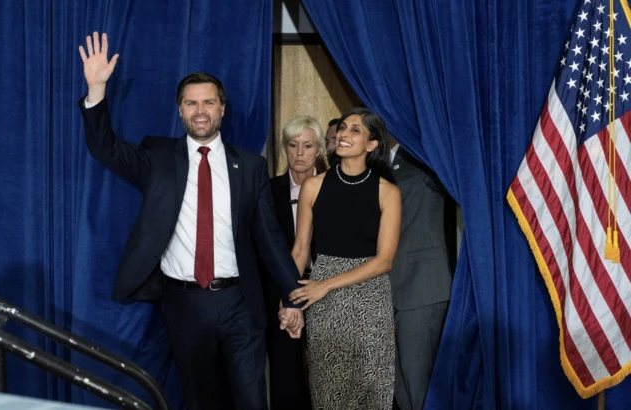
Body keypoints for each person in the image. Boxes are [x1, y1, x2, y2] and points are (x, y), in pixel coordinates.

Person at [77, 32, 303, 410]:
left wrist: (291, 296)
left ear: (222, 110)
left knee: (251, 399)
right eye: (191, 103)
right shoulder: (157, 157)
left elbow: (270, 238)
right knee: (200, 401)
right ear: (180, 110)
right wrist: (96, 88)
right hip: (184, 303)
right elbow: (105, 148)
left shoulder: (249, 165)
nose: (200, 110)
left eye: (209, 103)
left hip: (240, 304)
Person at [287, 107, 401, 409]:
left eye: (355, 130)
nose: (344, 134)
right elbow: (299, 250)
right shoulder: (313, 186)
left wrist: (325, 284)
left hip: (371, 297)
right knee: (329, 392)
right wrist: (288, 301)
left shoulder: (387, 191)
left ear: (372, 144)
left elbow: (384, 261)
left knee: (372, 392)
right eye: (343, 128)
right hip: (324, 304)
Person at [262, 115, 326, 410]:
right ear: (284, 149)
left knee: (329, 368)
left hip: (328, 288)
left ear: (319, 150)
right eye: (293, 145)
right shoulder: (266, 190)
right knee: (285, 372)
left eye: (308, 145)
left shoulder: (336, 187)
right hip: (280, 290)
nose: (300, 153)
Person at [388, 139, 451, 410]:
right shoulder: (373, 163)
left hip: (420, 287)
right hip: (383, 292)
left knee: (421, 388)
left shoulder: (424, 154)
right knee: (400, 389)